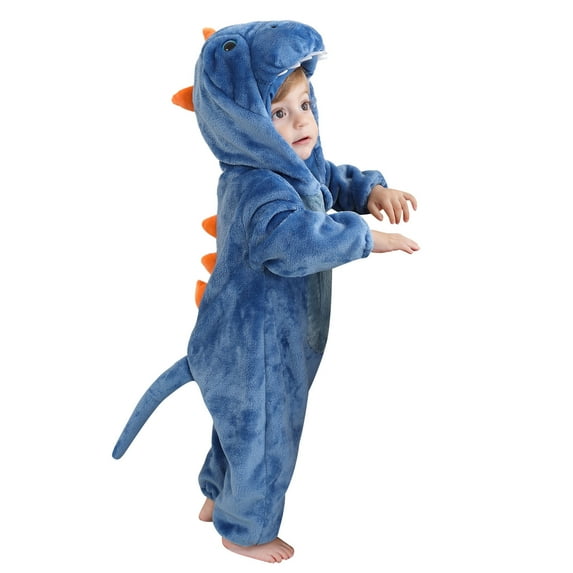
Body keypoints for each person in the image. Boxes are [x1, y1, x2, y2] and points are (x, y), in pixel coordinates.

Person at [112, 20, 419, 564]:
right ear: (244, 122)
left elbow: (327, 180)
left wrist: (370, 191)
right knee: (266, 435)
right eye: (278, 113)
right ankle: (244, 530)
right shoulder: (255, 186)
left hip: (262, 340)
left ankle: (217, 494)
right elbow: (293, 242)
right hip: (252, 346)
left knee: (239, 425)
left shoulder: (289, 163)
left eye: (305, 104)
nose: (301, 122)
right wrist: (368, 238)